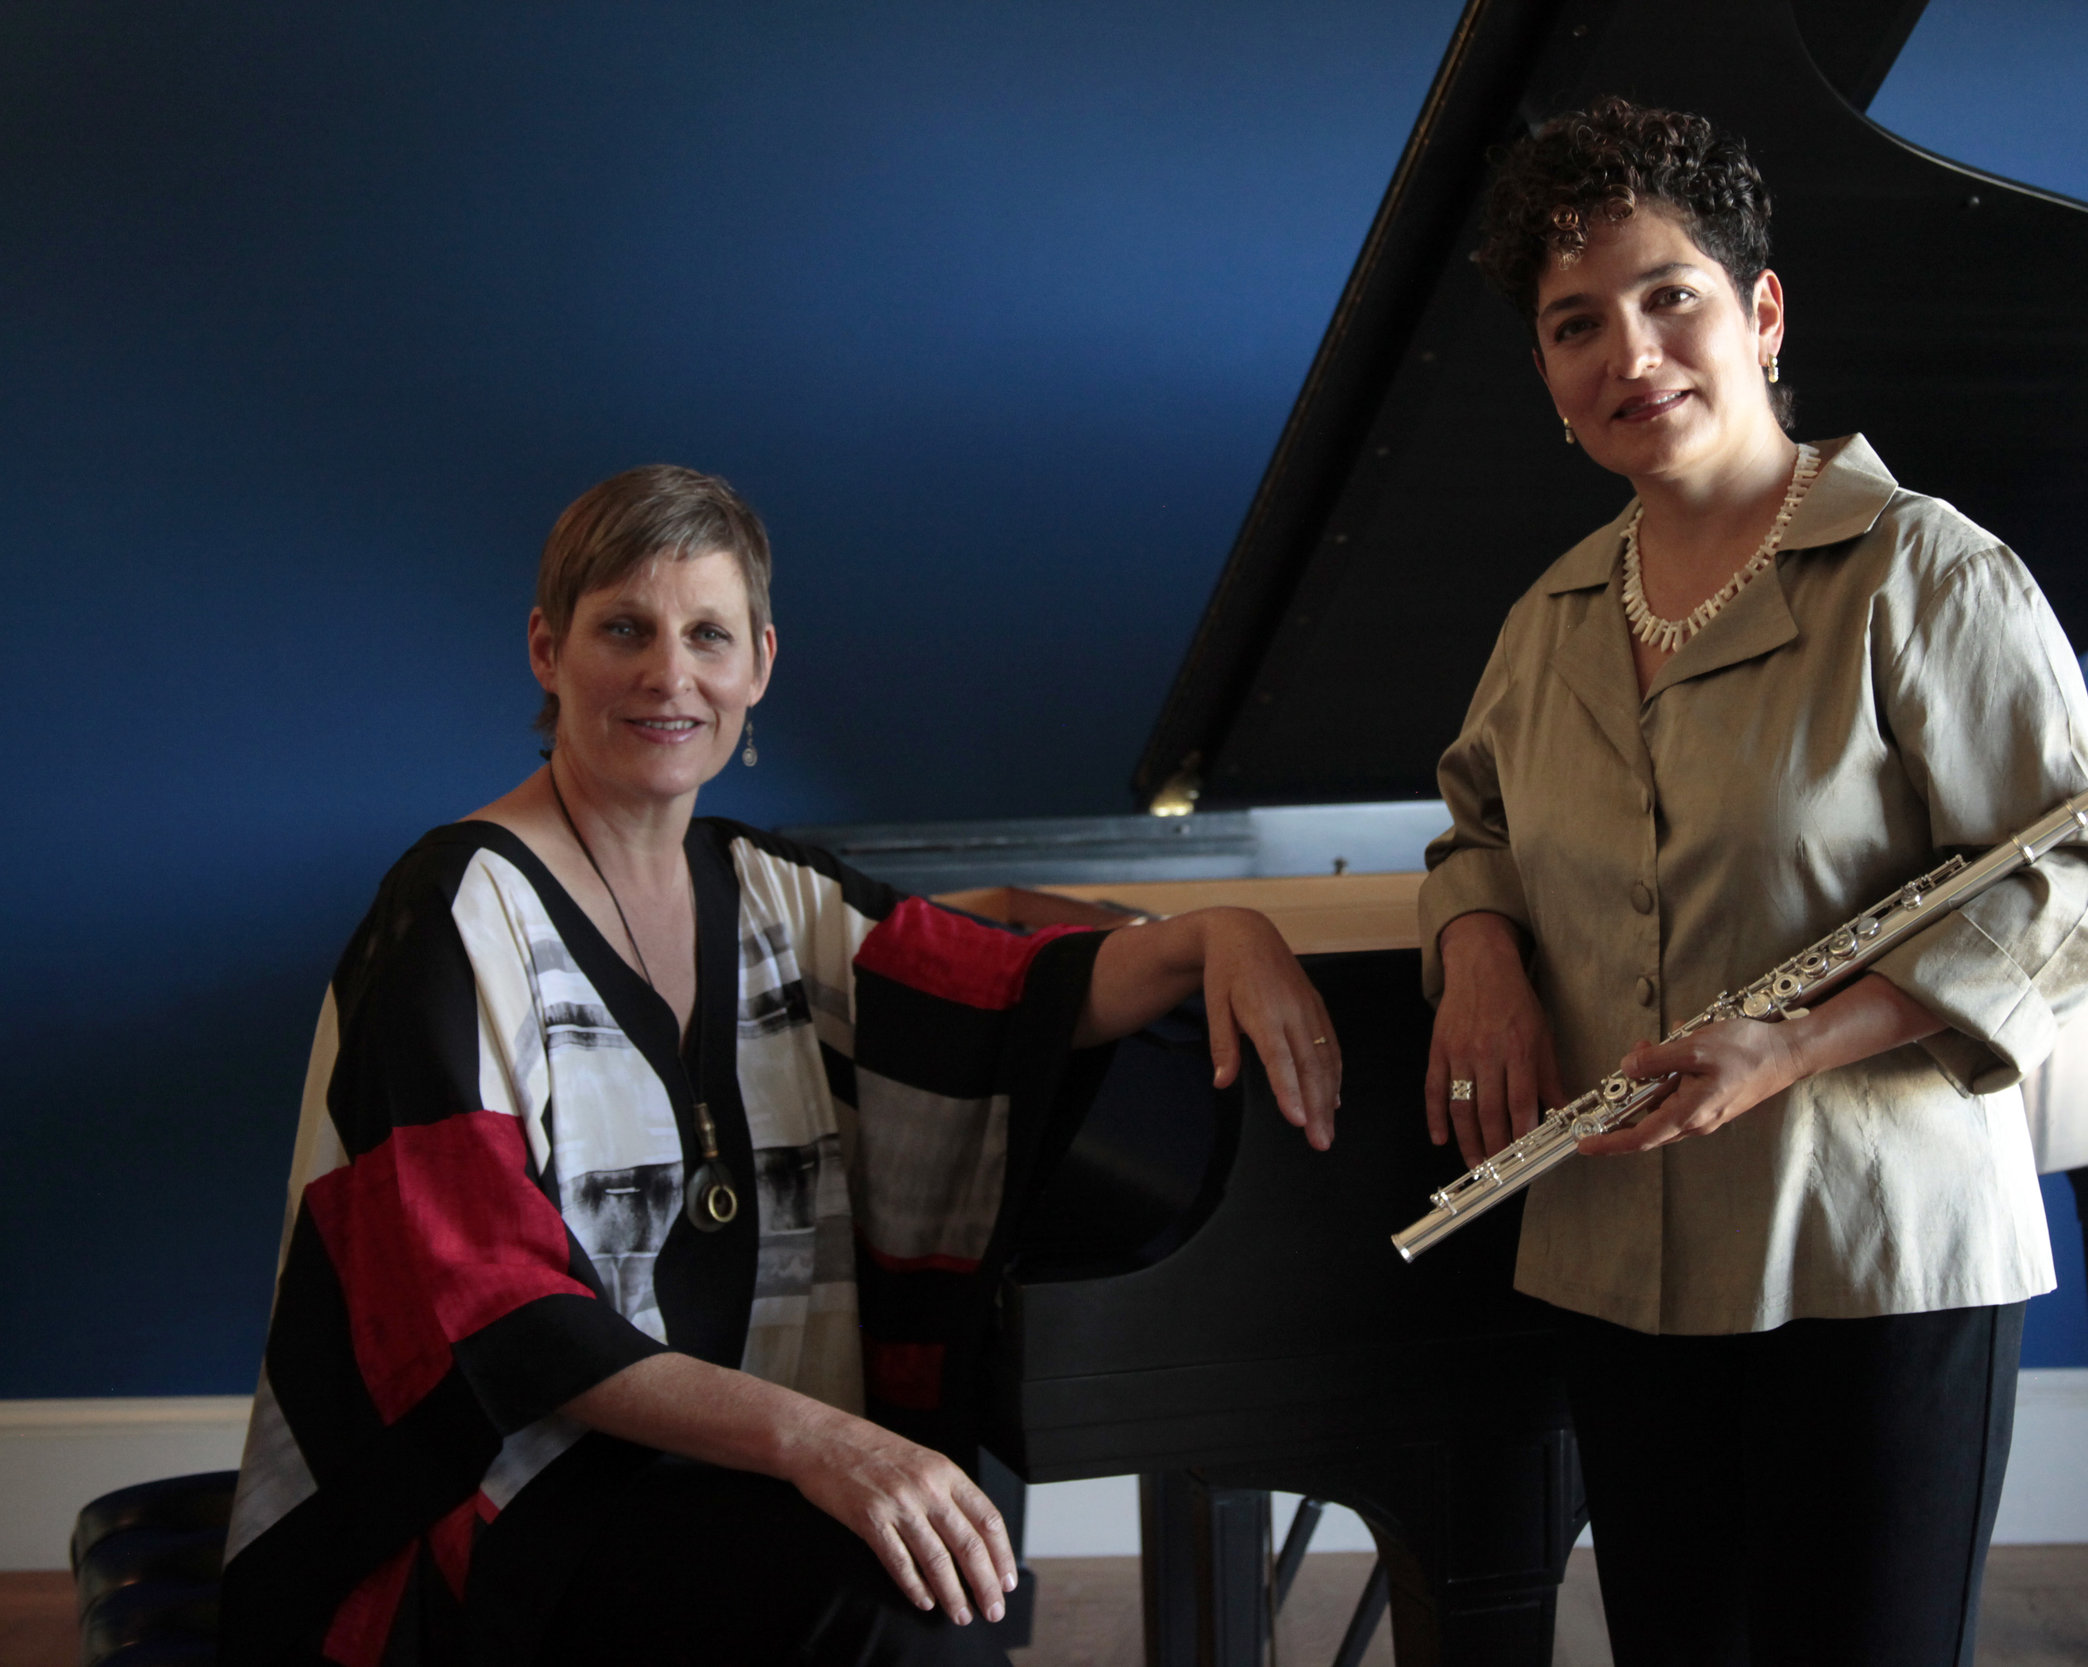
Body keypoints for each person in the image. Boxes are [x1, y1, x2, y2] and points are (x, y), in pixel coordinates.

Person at [220, 465, 1343, 1667]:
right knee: (905, 1618)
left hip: (722, 1472)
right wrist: (821, 1440)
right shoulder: (456, 911)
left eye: (708, 634)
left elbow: (1004, 992)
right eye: (624, 629)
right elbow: (491, 1307)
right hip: (498, 1503)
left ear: (758, 663)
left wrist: (1216, 935)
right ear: (548, 650)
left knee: (929, 1593)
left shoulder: (769, 890)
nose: (670, 675)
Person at [1417, 101, 2088, 1667]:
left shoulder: (1927, 572)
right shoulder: (1548, 620)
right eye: (1576, 323)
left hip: (1875, 1259)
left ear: (1763, 311)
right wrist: (1477, 943)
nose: (1630, 353)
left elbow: (2063, 886)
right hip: (1622, 1256)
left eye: (1669, 295)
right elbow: (1475, 826)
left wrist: (1795, 1042)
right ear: (1545, 369)